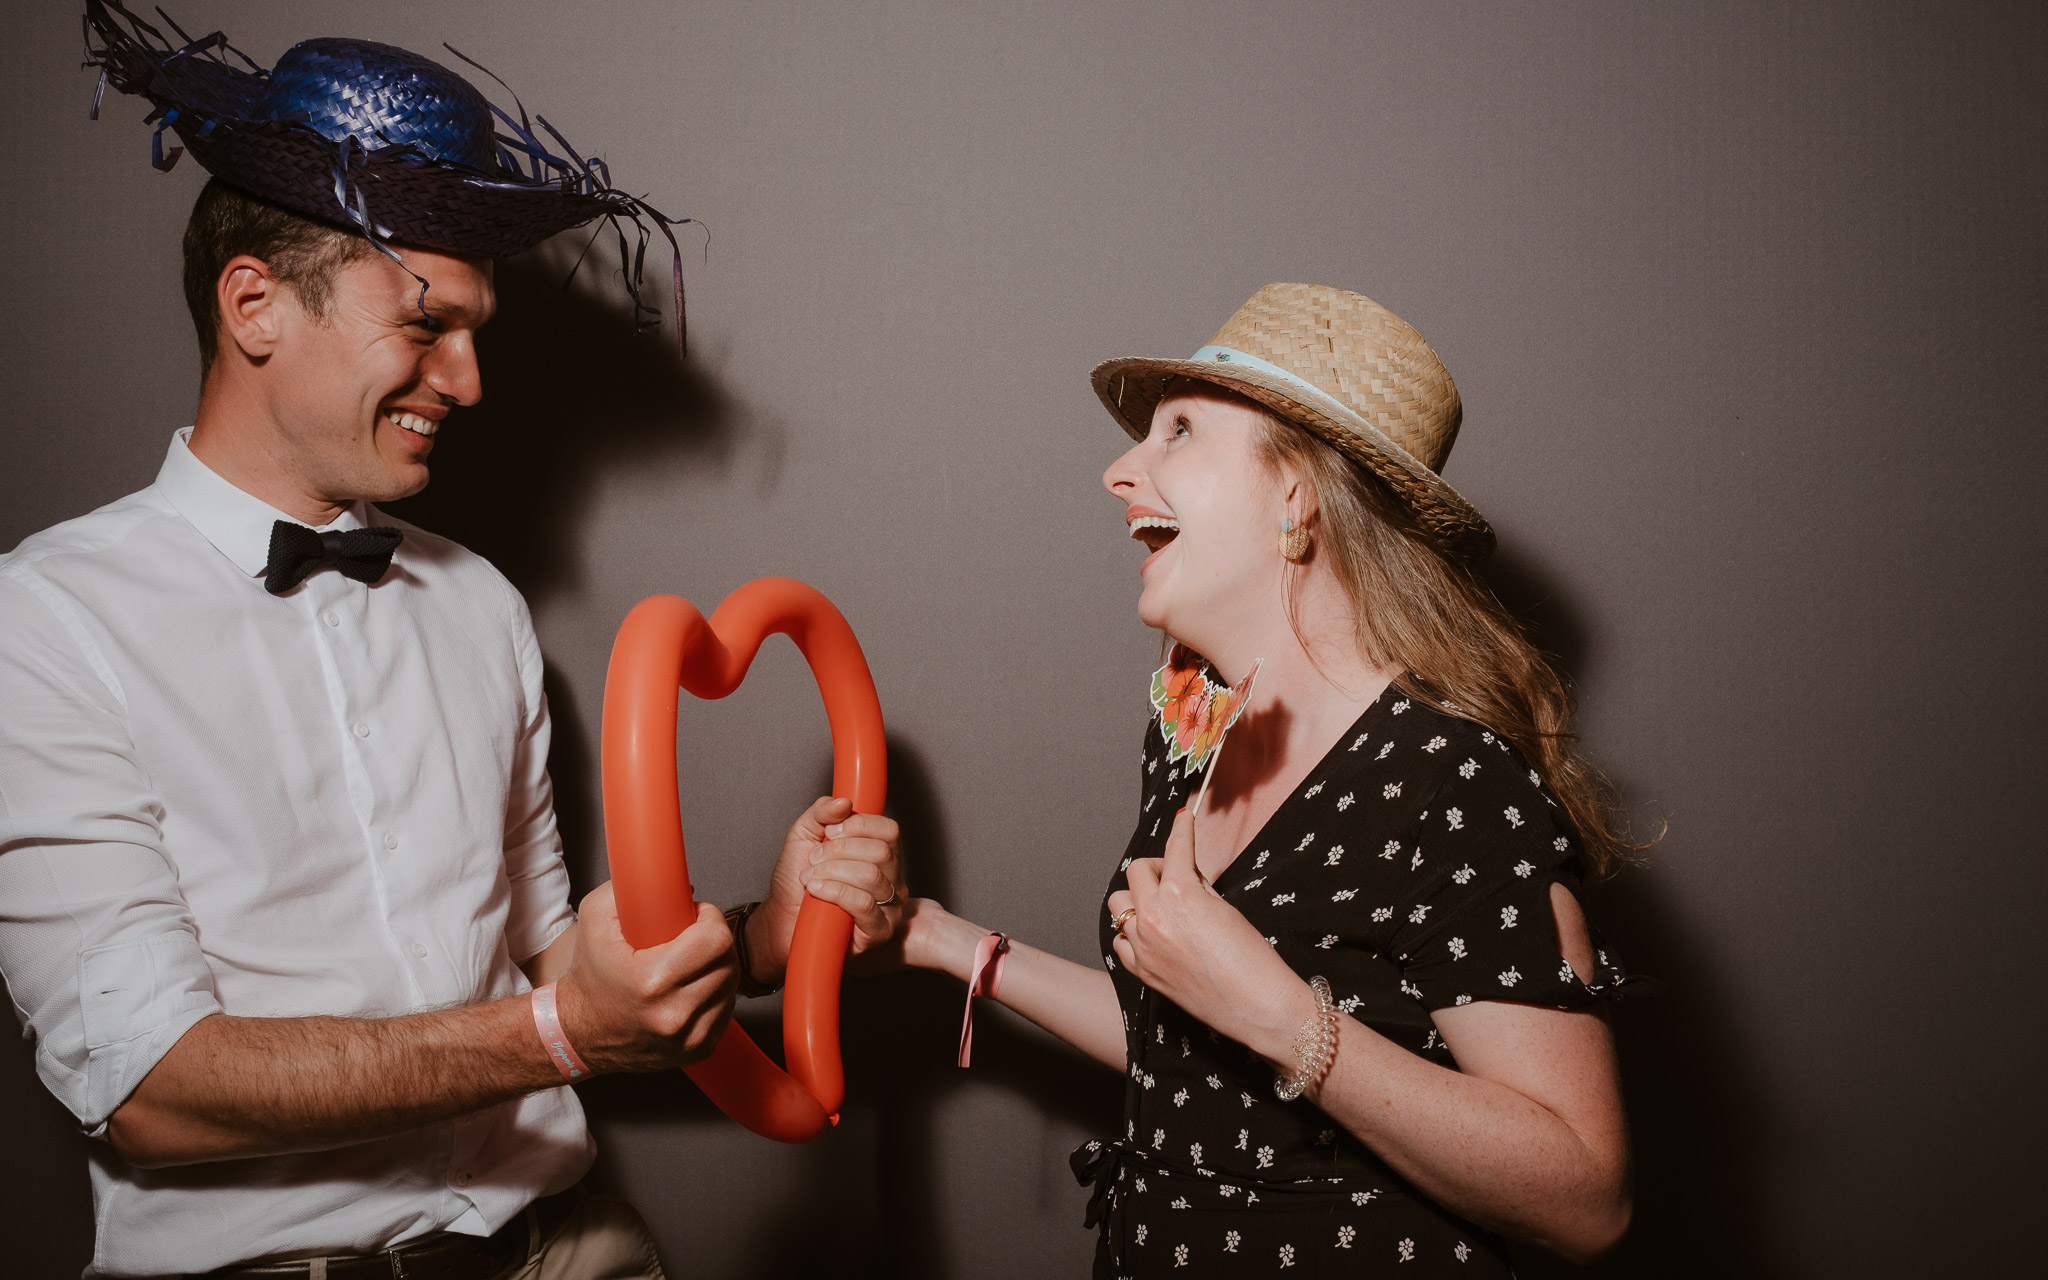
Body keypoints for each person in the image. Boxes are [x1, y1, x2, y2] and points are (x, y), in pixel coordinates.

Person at [0, 7, 904, 1278]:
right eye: (426, 325)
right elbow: (153, 1086)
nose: (469, 381)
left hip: (569, 1245)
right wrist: (558, 1033)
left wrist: (764, 937)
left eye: (478, 332)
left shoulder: (477, 602)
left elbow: (546, 956)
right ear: (255, 305)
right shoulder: (46, 623)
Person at [900, 283, 1649, 1276]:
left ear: (1294, 494)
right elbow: (1190, 1048)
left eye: (1175, 432)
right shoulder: (1191, 733)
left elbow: (1586, 1196)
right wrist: (936, 938)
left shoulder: (1452, 778)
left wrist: (1287, 1016)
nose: (1118, 469)